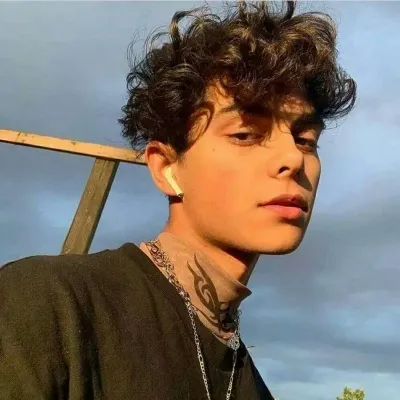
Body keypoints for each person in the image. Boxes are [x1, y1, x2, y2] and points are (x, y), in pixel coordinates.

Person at [0, 1, 356, 399]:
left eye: (306, 140)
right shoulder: (44, 304)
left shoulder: (253, 386)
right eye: (245, 134)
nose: (293, 158)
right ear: (167, 167)